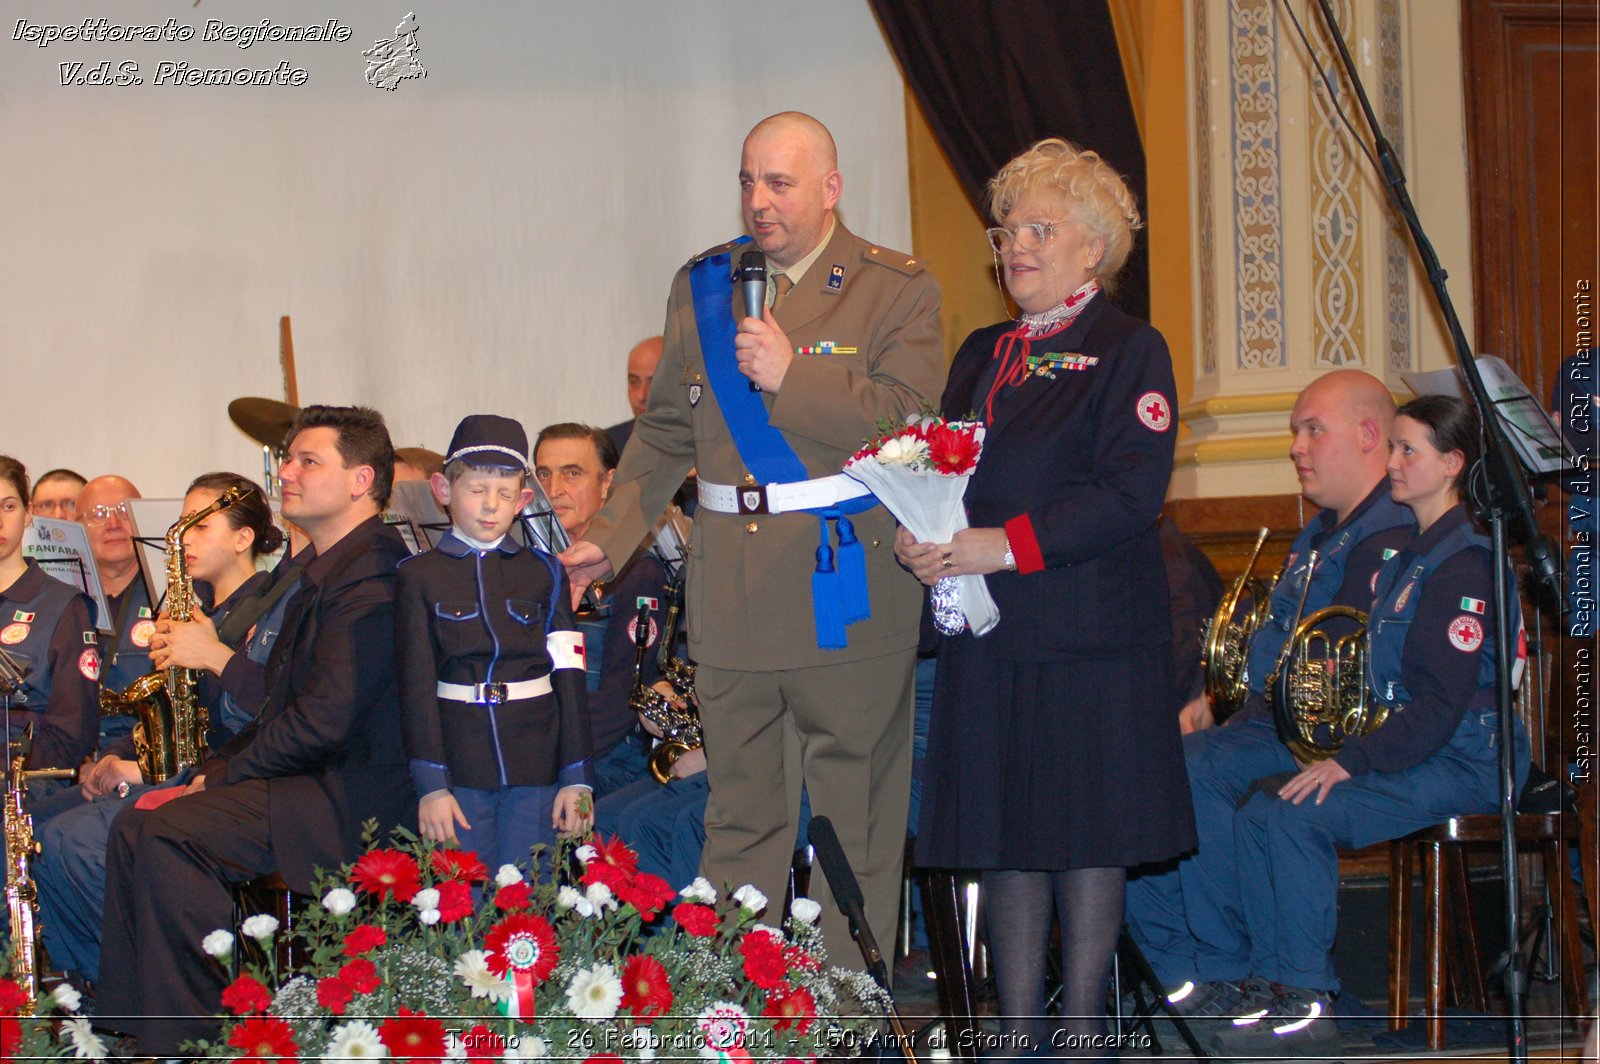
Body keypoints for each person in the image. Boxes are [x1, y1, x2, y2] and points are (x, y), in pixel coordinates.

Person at [563, 111, 943, 962]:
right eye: (747, 181)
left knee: (854, 818)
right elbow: (663, 430)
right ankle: (735, 1016)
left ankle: (843, 1014)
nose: (758, 201)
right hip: (730, 587)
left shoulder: (897, 287)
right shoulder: (705, 282)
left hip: (840, 581)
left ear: (831, 188)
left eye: (780, 183)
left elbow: (916, 424)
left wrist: (794, 376)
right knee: (738, 817)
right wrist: (611, 538)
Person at [893, 138, 1191, 1052]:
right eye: (1005, 229)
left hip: (1089, 634)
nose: (1013, 245)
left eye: (1038, 228)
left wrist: (1000, 545)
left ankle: (1084, 1032)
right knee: (1009, 832)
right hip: (992, 633)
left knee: (1085, 834)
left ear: (1091, 248)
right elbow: (946, 471)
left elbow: (1129, 495)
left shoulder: (1129, 349)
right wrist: (923, 534)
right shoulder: (984, 351)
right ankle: (1016, 1030)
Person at [1199, 394, 1531, 1056]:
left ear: (1453, 465)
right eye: (1395, 447)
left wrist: (1350, 762)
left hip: (1468, 760)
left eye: (1410, 450)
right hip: (1417, 749)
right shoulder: (1411, 554)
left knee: (1299, 813)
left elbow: (1438, 708)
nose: (1395, 463)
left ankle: (1308, 996)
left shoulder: (1463, 563)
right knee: (1265, 806)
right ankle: (1270, 983)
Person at [96, 405, 414, 1056]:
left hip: (349, 798)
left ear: (360, 482)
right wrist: (209, 772)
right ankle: (137, 1034)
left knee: (168, 833)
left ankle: (199, 1041)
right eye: (288, 458)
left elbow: (322, 723)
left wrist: (221, 776)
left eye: (307, 460)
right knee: (135, 822)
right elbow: (278, 702)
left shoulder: (372, 576)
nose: (287, 472)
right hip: (306, 779)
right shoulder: (326, 571)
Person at [1125, 369, 1416, 1032]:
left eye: (1314, 429)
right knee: (1157, 762)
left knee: (1192, 771)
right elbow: (1274, 645)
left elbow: (1351, 670)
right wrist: (1213, 696)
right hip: (1279, 723)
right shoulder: (1321, 534)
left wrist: (1251, 701)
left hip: (1342, 738)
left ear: (1371, 435)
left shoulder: (1394, 534)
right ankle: (1179, 969)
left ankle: (1226, 970)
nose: (1296, 446)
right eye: (1294, 431)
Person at [33, 471, 289, 990]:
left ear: (244, 539)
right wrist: (124, 753)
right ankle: (92, 989)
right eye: (181, 526)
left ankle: (145, 989)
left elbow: (253, 720)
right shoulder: (197, 606)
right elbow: (169, 706)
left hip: (221, 779)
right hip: (176, 765)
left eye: (201, 525)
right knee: (35, 834)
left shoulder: (272, 609)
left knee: (76, 841)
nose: (185, 537)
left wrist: (213, 658)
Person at [397, 415, 593, 870]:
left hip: (537, 764)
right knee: (463, 900)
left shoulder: (545, 572)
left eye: (505, 494)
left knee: (533, 894)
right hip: (460, 766)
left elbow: (569, 674)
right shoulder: (418, 577)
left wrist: (577, 778)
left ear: (523, 500)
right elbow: (416, 685)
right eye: (475, 490)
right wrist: (431, 785)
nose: (490, 506)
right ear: (443, 491)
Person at [536, 423, 670, 798]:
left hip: (604, 760)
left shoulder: (637, 572)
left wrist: (549, 756)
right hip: (539, 749)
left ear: (608, 483)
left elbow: (624, 695)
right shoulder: (525, 569)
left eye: (572, 473)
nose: (554, 490)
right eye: (543, 474)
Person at [0, 456, 97, 778]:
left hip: (27, 783)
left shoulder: (65, 606)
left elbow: (72, 737)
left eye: (8, 506)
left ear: (28, 513)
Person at [76, 475, 150, 746]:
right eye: (98, 514)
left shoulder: (173, 596)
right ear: (77, 527)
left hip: (145, 759)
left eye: (124, 511)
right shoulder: (62, 603)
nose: (113, 524)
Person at [607, 336, 665, 454]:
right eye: (634, 382)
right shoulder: (607, 447)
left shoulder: (707, 446)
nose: (641, 396)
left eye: (653, 383)